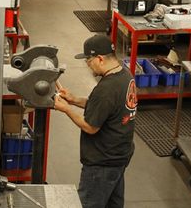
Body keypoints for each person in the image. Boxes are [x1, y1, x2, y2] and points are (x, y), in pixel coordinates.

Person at [53, 34, 137, 208]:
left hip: (102, 163)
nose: (87, 66)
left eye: (88, 61)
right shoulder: (125, 76)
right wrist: (74, 99)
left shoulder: (106, 89)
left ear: (99, 59)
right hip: (119, 157)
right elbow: (105, 108)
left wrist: (66, 109)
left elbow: (91, 127)